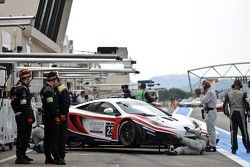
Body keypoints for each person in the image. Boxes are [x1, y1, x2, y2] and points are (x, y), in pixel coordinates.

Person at [10, 69, 35, 164]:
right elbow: (24, 105)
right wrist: (29, 116)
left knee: (24, 136)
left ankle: (22, 154)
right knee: (23, 136)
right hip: (23, 117)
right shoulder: (22, 89)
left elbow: (14, 103)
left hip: (21, 115)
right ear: (26, 78)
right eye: (29, 78)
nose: (30, 80)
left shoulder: (17, 88)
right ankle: (20, 157)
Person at [40, 71, 64, 165]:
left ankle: (48, 157)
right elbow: (51, 105)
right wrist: (55, 117)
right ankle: (57, 158)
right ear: (53, 80)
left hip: (47, 116)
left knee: (48, 138)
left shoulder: (46, 89)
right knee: (53, 138)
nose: (57, 83)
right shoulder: (48, 91)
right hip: (51, 117)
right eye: (56, 80)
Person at [223, 80, 250, 154]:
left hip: (232, 113)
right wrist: (248, 114)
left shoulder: (228, 94)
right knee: (244, 131)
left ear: (233, 86)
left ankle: (234, 149)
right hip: (241, 113)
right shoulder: (243, 93)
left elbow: (224, 106)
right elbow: (246, 105)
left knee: (233, 132)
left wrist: (228, 114)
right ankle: (248, 148)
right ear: (239, 86)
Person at [199, 80, 217, 152]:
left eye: (202, 86)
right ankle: (211, 144)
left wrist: (201, 93)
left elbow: (203, 101)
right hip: (209, 112)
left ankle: (213, 146)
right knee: (210, 129)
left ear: (204, 86)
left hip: (211, 112)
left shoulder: (210, 93)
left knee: (211, 130)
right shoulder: (208, 92)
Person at [57, 83, 71, 165]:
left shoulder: (61, 90)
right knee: (60, 136)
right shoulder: (58, 90)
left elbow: (66, 103)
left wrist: (63, 114)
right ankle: (59, 156)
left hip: (61, 117)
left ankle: (60, 156)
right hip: (59, 117)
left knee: (61, 136)